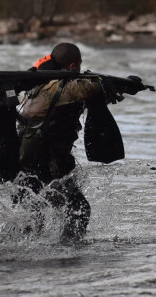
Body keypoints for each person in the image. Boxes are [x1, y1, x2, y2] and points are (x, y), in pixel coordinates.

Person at [17, 42, 106, 243]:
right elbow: (92, 86)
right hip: (45, 163)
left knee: (34, 215)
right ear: (74, 66)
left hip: (26, 161)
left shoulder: (38, 84)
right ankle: (68, 253)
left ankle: (25, 254)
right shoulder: (58, 87)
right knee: (79, 209)